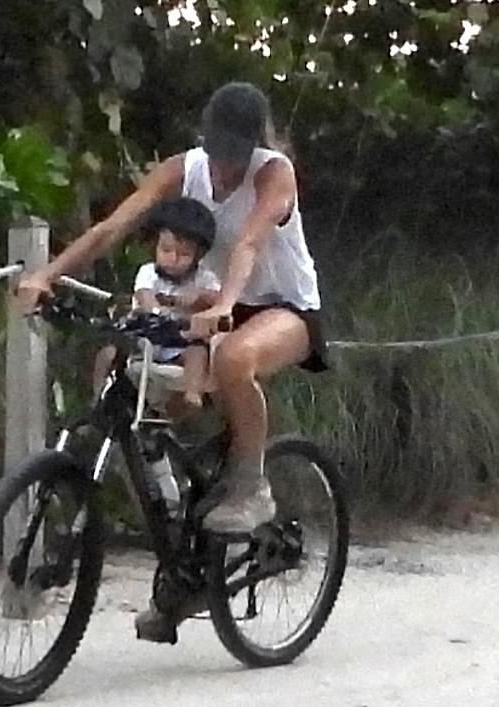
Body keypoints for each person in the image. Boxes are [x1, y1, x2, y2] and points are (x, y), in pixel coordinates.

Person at [17, 81, 327, 640]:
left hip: (279, 305)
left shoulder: (274, 173)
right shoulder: (183, 169)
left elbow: (250, 245)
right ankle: (182, 566)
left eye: (236, 155)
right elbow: (114, 226)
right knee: (136, 384)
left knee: (233, 359)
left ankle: (251, 484)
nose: (225, 169)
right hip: (203, 303)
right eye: (218, 153)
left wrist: (228, 306)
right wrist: (47, 274)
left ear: (255, 145)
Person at [92, 197, 220, 409]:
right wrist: (156, 310)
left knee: (197, 352)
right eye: (166, 250)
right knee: (108, 354)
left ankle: (192, 393)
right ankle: (98, 400)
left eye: (184, 254)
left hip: (179, 342)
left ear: (199, 255)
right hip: (145, 338)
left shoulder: (204, 278)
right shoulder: (149, 272)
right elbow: (144, 295)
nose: (173, 258)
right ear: (156, 246)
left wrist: (199, 297)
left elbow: (218, 299)